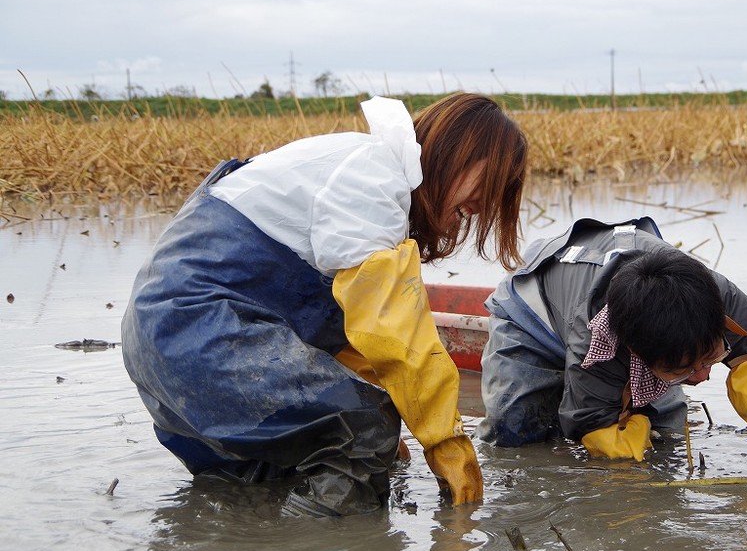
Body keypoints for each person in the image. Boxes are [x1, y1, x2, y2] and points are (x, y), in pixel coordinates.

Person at [121, 93, 527, 516]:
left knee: (259, 487)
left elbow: (348, 339)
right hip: (201, 331)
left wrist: (377, 419)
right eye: (490, 181)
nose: (483, 205)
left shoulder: (344, 163)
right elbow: (395, 336)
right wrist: (444, 441)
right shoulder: (373, 182)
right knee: (364, 429)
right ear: (457, 153)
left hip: (160, 341)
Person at [477, 217, 747, 479]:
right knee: (517, 431)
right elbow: (593, 421)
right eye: (683, 370)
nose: (704, 377)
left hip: (622, 304)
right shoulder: (598, 344)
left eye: (711, 357)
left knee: (667, 434)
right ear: (637, 357)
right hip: (533, 316)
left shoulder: (713, 295)